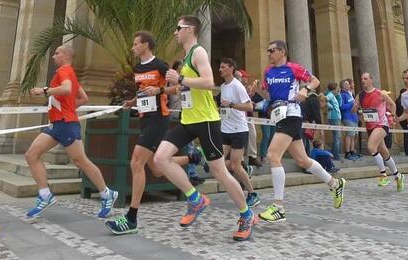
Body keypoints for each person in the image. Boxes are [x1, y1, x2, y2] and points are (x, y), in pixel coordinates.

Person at [154, 15, 254, 241]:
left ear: (190, 29)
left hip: (206, 120)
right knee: (160, 158)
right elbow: (187, 89)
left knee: (219, 171)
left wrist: (180, 78)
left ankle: (246, 214)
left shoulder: (199, 52)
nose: (175, 32)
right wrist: (160, 91)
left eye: (178, 28)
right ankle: (195, 198)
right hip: (188, 120)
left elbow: (209, 82)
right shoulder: (187, 56)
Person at [104, 31, 201, 235]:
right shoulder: (138, 68)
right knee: (157, 168)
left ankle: (131, 218)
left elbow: (178, 87)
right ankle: (192, 157)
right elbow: (143, 91)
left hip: (158, 120)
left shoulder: (160, 65)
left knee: (136, 163)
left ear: (146, 45)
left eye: (136, 44)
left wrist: (158, 92)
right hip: (144, 118)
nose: (132, 48)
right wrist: (133, 101)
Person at [253, 40, 346, 223]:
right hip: (279, 116)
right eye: (268, 51)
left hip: (293, 115)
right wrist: (258, 91)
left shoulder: (293, 68)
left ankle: (279, 207)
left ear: (282, 52)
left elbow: (315, 81)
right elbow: (269, 97)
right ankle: (335, 184)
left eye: (272, 51)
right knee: (303, 160)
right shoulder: (267, 72)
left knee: (273, 155)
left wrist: (305, 89)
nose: (269, 54)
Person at [26, 45, 118, 220]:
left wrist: (43, 91)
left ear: (66, 56)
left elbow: (67, 89)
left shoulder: (64, 72)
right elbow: (84, 97)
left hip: (66, 124)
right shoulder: (69, 73)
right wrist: (68, 108)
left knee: (80, 161)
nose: (53, 56)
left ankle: (107, 194)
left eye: (57, 53)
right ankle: (45, 195)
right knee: (31, 154)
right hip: (57, 123)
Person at [218, 58, 260, 207]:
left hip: (239, 130)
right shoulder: (223, 86)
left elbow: (249, 107)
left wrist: (231, 104)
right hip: (225, 129)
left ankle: (252, 193)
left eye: (223, 67)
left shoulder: (238, 86)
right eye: (220, 67)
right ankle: (245, 170)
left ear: (231, 69)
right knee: (218, 162)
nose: (220, 70)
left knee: (235, 166)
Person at [352, 72, 404, 191]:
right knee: (384, 153)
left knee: (371, 147)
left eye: (365, 79)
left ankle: (383, 175)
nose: (363, 81)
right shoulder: (360, 95)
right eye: (362, 79)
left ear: (371, 80)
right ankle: (398, 175)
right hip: (370, 126)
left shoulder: (380, 93)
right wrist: (355, 108)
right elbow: (354, 110)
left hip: (382, 124)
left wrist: (392, 116)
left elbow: (392, 104)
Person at [237, 69, 262, 168]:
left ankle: (252, 156)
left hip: (248, 116)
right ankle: (241, 159)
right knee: (241, 136)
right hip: (239, 116)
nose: (246, 79)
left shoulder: (246, 88)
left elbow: (250, 99)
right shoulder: (237, 87)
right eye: (245, 77)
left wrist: (253, 91)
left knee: (252, 134)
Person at [339, 79, 361, 160]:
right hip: (347, 117)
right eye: (346, 84)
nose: (348, 85)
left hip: (354, 117)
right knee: (349, 135)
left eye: (348, 84)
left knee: (353, 135)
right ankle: (347, 152)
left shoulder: (350, 94)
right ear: (343, 86)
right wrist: (351, 104)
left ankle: (352, 151)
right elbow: (341, 106)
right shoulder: (342, 95)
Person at [325, 82, 342, 160]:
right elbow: (325, 100)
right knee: (337, 137)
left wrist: (339, 96)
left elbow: (339, 104)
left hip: (336, 117)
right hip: (334, 117)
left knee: (336, 137)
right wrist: (330, 106)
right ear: (334, 89)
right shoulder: (330, 95)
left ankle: (334, 153)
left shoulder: (334, 96)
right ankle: (336, 155)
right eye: (337, 88)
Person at [396, 87, 408, 156]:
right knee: (407, 135)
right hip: (405, 120)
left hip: (406, 119)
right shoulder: (400, 100)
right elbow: (403, 111)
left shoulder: (400, 99)